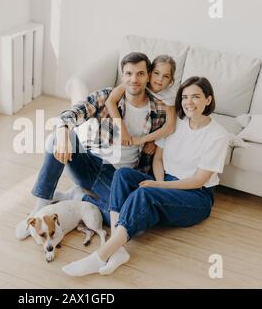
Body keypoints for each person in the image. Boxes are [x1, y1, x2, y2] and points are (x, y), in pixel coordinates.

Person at [62, 76, 230, 277]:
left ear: (208, 100)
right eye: (185, 97)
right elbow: (158, 159)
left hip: (196, 196)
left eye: (196, 97)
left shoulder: (218, 135)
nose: (189, 102)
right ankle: (118, 248)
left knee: (144, 196)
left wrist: (156, 187)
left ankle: (100, 256)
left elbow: (198, 181)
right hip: (165, 179)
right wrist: (159, 182)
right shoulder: (176, 122)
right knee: (123, 174)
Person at [15, 52, 174, 240]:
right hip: (89, 164)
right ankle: (40, 207)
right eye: (128, 74)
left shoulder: (159, 110)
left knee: (132, 226)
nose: (134, 79)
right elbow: (70, 114)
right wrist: (64, 131)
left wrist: (154, 143)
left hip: (116, 178)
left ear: (148, 75)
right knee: (55, 138)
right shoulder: (106, 96)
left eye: (140, 74)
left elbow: (170, 132)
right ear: (122, 76)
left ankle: (76, 197)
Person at [105, 54, 177, 174]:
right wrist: (122, 129)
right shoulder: (137, 83)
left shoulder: (169, 97)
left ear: (171, 81)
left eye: (166, 76)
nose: (159, 79)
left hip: (150, 134)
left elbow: (170, 127)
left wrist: (148, 140)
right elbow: (110, 101)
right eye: (156, 73)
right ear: (149, 74)